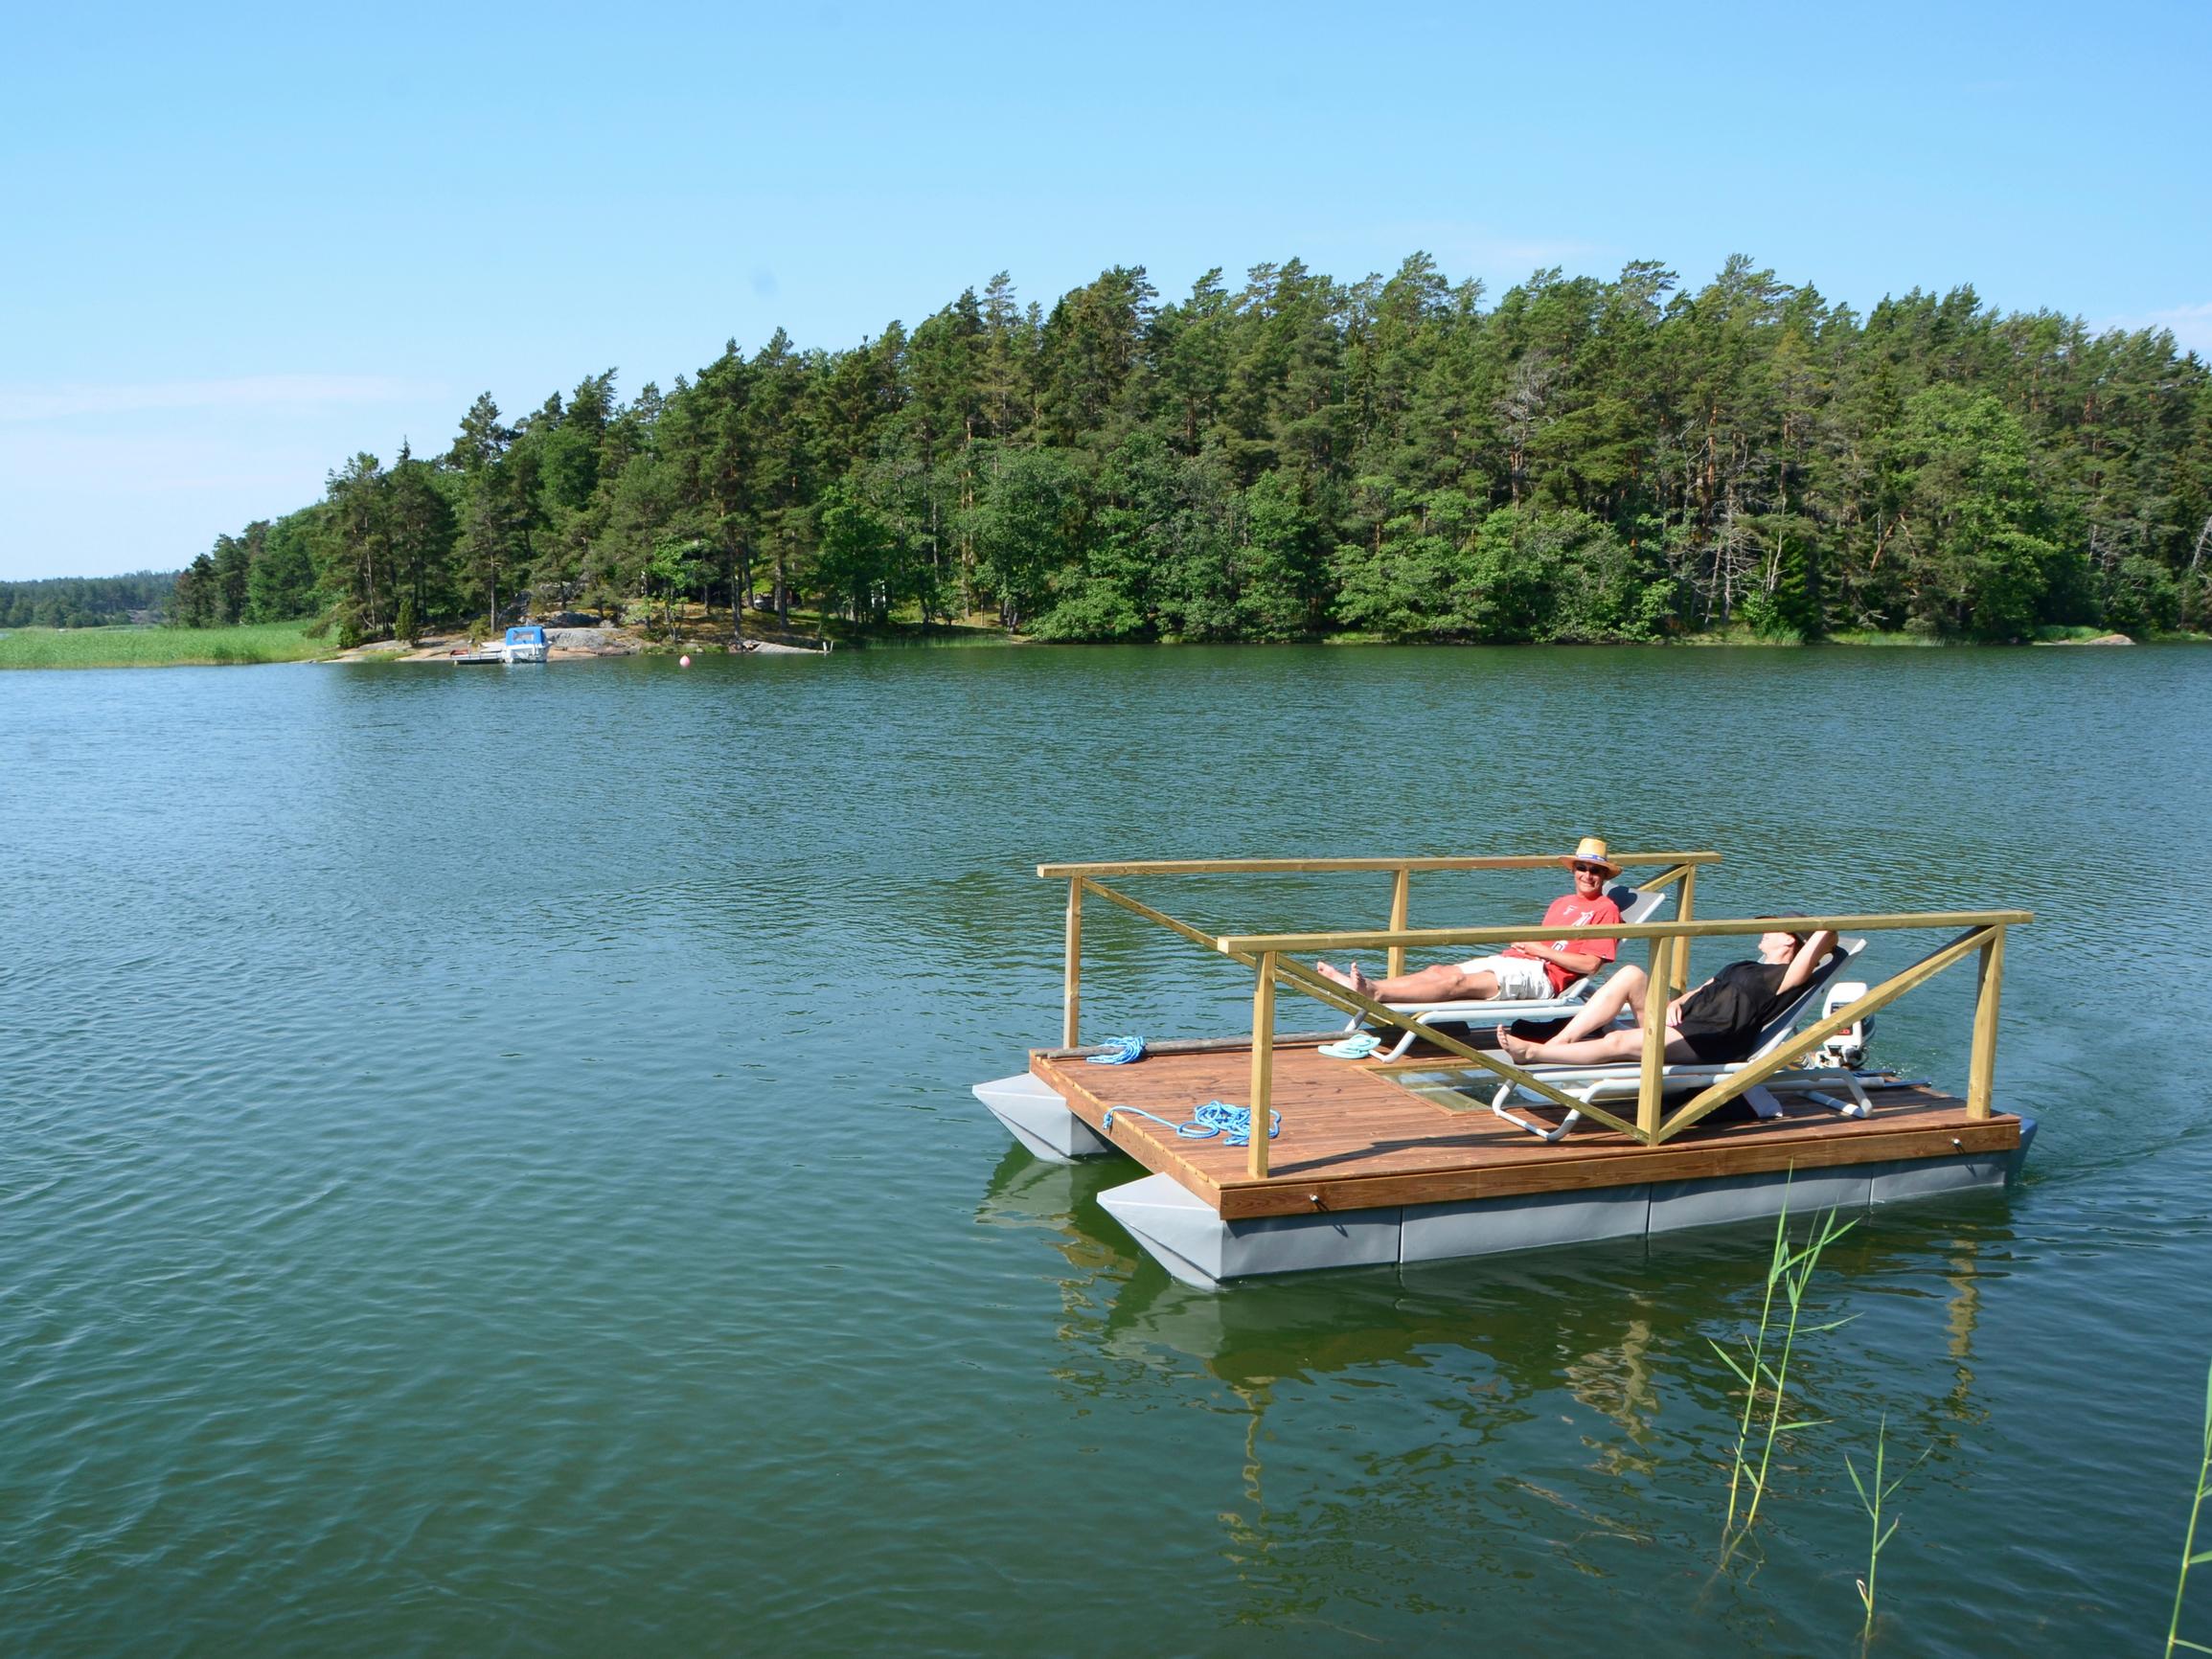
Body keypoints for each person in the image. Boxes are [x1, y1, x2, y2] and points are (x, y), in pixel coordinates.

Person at [1495, 917, 1841, 1068]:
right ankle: (1561, 1043)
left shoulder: (1786, 977)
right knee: (1631, 973)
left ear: (1791, 940)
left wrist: (1816, 937)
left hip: (1709, 1040)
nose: (1764, 929)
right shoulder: (1744, 965)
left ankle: (1535, 1056)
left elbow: (1827, 937)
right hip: (1685, 1021)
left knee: (1620, 1043)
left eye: (1774, 927)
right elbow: (1707, 988)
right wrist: (1677, 1001)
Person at [1316, 837, 1627, 1004]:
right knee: (1437, 970)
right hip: (1518, 961)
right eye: (1582, 868)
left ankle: (1376, 994)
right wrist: (1529, 947)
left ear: (1603, 875)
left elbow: (1590, 966)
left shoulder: (1606, 909)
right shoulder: (1562, 903)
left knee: (1455, 983)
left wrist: (1539, 950)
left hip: (1544, 978)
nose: (1587, 875)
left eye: (1595, 871)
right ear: (1573, 870)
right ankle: (1371, 987)